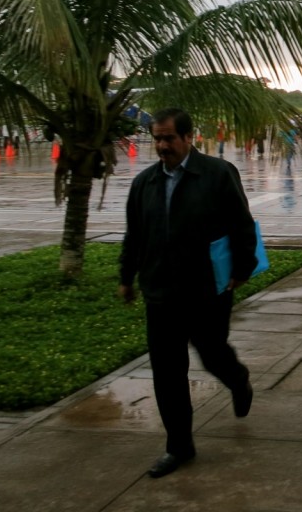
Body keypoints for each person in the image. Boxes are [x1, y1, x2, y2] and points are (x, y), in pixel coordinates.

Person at [119, 107, 256, 479]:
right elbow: (134, 235)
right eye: (157, 138)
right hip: (160, 293)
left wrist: (241, 271)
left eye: (169, 138)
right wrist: (127, 277)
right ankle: (179, 446)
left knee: (213, 354)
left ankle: (237, 379)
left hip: (206, 290)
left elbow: (241, 224)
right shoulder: (144, 183)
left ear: (187, 137)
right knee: (167, 372)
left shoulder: (216, 174)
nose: (162, 145)